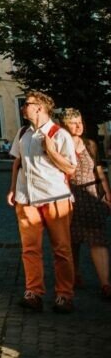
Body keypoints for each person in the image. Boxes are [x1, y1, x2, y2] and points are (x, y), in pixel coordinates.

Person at [8, 90, 78, 314]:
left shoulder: (60, 134)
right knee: (30, 249)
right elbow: (17, 163)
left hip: (55, 198)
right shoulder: (23, 133)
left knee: (62, 249)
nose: (23, 107)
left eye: (26, 104)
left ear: (39, 107)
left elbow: (70, 168)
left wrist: (51, 151)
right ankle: (34, 292)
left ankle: (64, 294)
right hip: (26, 198)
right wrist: (12, 189)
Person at [62, 109, 111, 300]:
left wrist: (107, 194)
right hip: (69, 197)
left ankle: (105, 283)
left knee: (98, 239)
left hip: (91, 197)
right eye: (73, 123)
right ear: (65, 125)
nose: (78, 126)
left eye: (80, 122)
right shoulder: (60, 144)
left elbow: (99, 171)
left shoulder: (90, 144)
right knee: (71, 240)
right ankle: (74, 275)